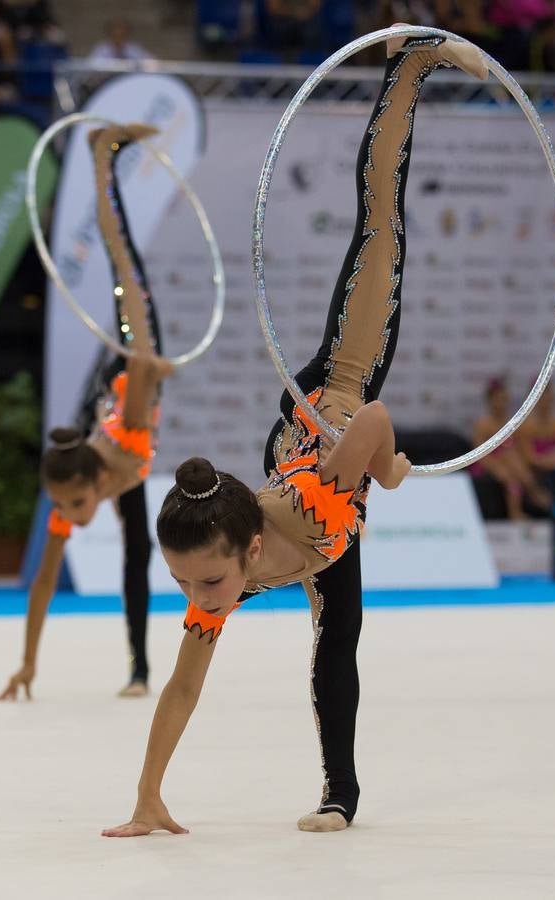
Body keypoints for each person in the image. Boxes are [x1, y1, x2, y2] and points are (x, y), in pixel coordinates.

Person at [102, 28, 489, 838]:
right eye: (188, 586)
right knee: (338, 637)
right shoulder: (226, 572)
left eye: (205, 586)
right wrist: (147, 796)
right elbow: (182, 689)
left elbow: (375, 418)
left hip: (341, 382)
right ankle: (339, 796)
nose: (202, 603)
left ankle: (408, 65)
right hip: (310, 475)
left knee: (380, 224)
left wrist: (382, 472)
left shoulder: (316, 500)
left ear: (244, 555)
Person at [0, 124, 173, 702]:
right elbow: (44, 581)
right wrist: (27, 663)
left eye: (73, 505)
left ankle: (104, 154)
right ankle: (140, 668)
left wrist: (154, 372)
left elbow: (144, 365)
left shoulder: (127, 438)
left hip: (136, 346)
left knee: (123, 258)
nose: (70, 518)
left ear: (97, 483)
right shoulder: (79, 485)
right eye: (65, 507)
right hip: (127, 379)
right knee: (138, 552)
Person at [472, 378, 551, 519]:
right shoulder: (483, 424)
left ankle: (522, 503)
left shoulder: (512, 422)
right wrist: (498, 468)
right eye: (497, 400)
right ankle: (529, 497)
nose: (500, 404)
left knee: (512, 460)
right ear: (489, 401)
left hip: (511, 464)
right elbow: (479, 454)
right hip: (487, 463)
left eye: (503, 399)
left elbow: (520, 447)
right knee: (509, 466)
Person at [517, 381, 555, 475]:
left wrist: (545, 461)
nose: (544, 399)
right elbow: (530, 460)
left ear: (552, 397)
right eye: (541, 395)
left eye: (547, 394)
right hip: (535, 475)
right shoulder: (525, 427)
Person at [88, 18, 153, 62]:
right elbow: (92, 67)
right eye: (115, 35)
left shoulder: (135, 49)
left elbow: (151, 63)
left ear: (127, 35)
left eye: (122, 35)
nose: (118, 39)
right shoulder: (101, 49)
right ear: (110, 34)